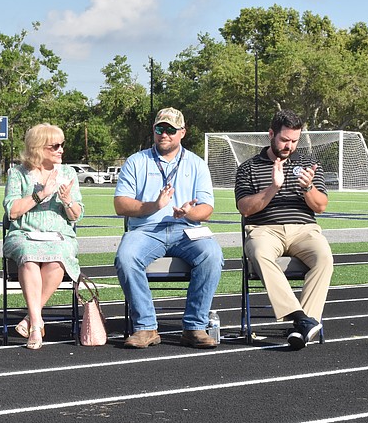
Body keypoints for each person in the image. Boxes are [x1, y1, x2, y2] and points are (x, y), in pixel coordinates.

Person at [114, 107, 223, 349]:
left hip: (186, 229)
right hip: (146, 229)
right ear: (153, 130)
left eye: (171, 130)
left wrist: (189, 213)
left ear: (182, 132)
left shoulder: (196, 164)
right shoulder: (136, 161)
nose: (165, 134)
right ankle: (146, 327)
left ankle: (195, 326)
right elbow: (120, 205)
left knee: (213, 255)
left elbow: (206, 209)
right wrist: (154, 205)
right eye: (159, 129)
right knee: (126, 256)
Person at [235, 109, 332, 349]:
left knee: (324, 258)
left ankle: (303, 328)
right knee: (258, 252)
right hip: (264, 229)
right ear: (271, 134)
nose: (289, 145)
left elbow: (320, 207)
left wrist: (308, 187)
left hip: (304, 229)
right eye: (284, 140)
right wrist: (272, 188)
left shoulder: (308, 164)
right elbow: (245, 209)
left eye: (294, 141)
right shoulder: (248, 168)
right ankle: (301, 319)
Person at [3, 123, 84, 350]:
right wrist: (42, 194)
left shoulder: (68, 174)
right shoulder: (17, 174)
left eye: (62, 145)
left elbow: (76, 215)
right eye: (55, 146)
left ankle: (31, 319)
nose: (61, 150)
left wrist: (67, 200)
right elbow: (12, 211)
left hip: (59, 235)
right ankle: (37, 323)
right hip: (25, 234)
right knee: (29, 257)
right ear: (38, 148)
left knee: (58, 258)